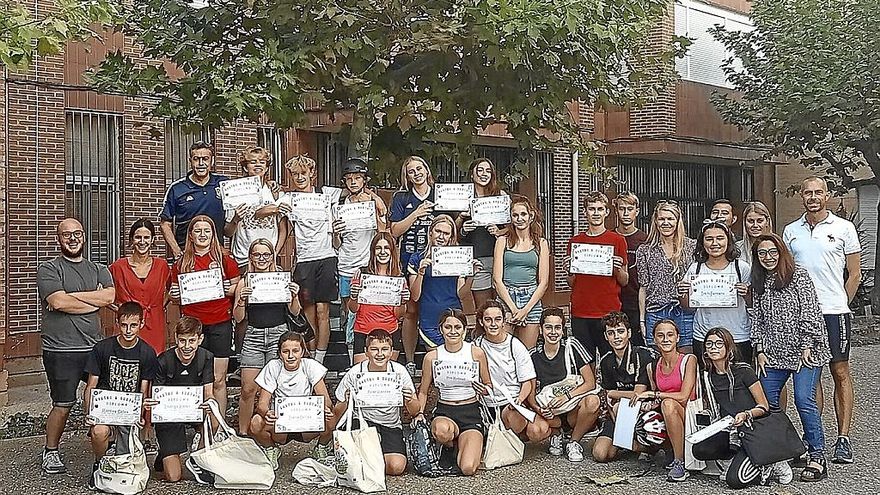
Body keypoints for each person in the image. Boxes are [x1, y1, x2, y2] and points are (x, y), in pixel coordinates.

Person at [782, 176, 860, 464]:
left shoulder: (843, 228)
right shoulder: (791, 231)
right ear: (802, 196)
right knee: (810, 376)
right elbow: (787, 273)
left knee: (840, 372)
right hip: (803, 315)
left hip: (833, 312)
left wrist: (841, 303)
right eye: (808, 193)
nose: (813, 197)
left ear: (826, 196)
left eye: (818, 192)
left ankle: (843, 437)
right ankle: (814, 436)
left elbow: (854, 274)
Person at [37, 218, 116, 474]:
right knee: (63, 403)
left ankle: (107, 444)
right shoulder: (48, 269)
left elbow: (110, 296)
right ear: (59, 239)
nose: (73, 238)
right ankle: (51, 451)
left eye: (77, 234)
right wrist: (93, 300)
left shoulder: (98, 268)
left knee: (103, 397)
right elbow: (58, 302)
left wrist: (73, 298)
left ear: (84, 237)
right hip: (60, 349)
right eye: (66, 234)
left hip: (94, 347)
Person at [751, 233, 831, 481]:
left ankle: (817, 455)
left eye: (773, 252)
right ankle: (789, 448)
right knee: (767, 401)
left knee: (803, 398)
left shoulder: (799, 276)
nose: (768, 257)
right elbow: (758, 319)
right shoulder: (759, 282)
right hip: (773, 352)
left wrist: (807, 344)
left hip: (804, 351)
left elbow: (810, 311)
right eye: (762, 253)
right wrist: (760, 349)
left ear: (782, 252)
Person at [696, 327, 789, 488]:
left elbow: (764, 407)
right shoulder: (707, 375)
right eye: (709, 344)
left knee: (734, 481)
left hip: (753, 428)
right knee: (700, 449)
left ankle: (771, 461)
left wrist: (746, 414)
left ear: (728, 347)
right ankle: (737, 461)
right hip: (730, 428)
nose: (713, 348)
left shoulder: (743, 370)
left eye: (719, 343)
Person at [82, 302, 159, 489]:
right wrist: (89, 413)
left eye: (133, 325)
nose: (128, 330)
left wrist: (140, 414)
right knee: (99, 432)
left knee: (126, 457)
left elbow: (143, 389)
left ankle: (119, 462)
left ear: (141, 324)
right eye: (124, 325)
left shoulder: (147, 353)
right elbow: (91, 385)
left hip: (128, 410)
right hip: (105, 408)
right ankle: (99, 465)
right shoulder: (102, 348)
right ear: (117, 323)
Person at [169, 215, 240, 415]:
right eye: (197, 231)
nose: (202, 235)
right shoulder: (182, 263)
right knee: (195, 377)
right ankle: (197, 423)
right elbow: (174, 295)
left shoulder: (225, 259)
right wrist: (174, 295)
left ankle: (219, 426)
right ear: (190, 235)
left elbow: (238, 285)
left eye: (207, 231)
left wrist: (230, 289)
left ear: (213, 234)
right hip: (192, 326)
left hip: (220, 323)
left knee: (218, 379)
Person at [233, 239, 303, 435]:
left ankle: (271, 430)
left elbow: (296, 312)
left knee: (274, 387)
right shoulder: (245, 281)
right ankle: (243, 433)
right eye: (257, 255)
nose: (262, 258)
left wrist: (294, 296)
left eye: (266, 254)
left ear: (272, 256)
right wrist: (241, 301)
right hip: (254, 335)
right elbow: (238, 318)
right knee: (248, 388)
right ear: (251, 258)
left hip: (278, 334)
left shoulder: (282, 278)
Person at [415, 310, 492, 476]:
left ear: (464, 330)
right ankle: (448, 446)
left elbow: (488, 385)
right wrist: (419, 413)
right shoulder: (432, 357)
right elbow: (423, 391)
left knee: (468, 468)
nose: (453, 331)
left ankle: (464, 445)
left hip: (470, 411)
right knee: (442, 431)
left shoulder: (476, 352)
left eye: (457, 327)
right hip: (445, 410)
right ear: (441, 329)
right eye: (448, 327)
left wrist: (484, 390)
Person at [333, 329, 420, 475]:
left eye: (385, 349)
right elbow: (337, 411)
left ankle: (369, 458)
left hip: (390, 425)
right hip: (362, 423)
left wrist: (409, 399)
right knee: (360, 463)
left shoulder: (399, 371)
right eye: (374, 349)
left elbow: (415, 410)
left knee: (396, 467)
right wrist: (346, 401)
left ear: (391, 351)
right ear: (366, 352)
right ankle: (367, 456)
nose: (380, 354)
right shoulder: (355, 373)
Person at [284, 155, 342, 363]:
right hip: (304, 259)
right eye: (295, 174)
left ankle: (321, 357)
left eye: (303, 173)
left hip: (326, 256)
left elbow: (354, 193)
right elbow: (266, 208)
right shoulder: (290, 198)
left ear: (312, 174)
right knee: (307, 311)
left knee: (322, 310)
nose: (299, 178)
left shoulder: (326, 195)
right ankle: (309, 355)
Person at [250, 331, 336, 468]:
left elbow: (325, 399)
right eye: (286, 351)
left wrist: (325, 409)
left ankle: (321, 448)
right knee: (256, 422)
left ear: (302, 352)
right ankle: (271, 448)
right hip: (280, 425)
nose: (291, 356)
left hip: (306, 424)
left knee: (332, 417)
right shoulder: (273, 367)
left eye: (295, 351)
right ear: (279, 354)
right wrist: (267, 414)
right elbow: (262, 405)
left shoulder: (310, 366)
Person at [146, 316, 216, 484]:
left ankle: (198, 460)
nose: (187, 346)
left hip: (194, 410)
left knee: (213, 418)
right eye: (182, 340)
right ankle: (165, 452)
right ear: (176, 338)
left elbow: (209, 391)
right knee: (174, 477)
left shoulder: (206, 357)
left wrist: (209, 402)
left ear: (200, 339)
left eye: (192, 341)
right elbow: (156, 396)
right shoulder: (163, 360)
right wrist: (150, 414)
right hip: (169, 415)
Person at [529, 308, 600, 462]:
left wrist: (566, 396)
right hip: (549, 411)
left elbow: (590, 382)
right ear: (541, 330)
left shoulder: (572, 346)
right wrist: (538, 408)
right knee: (533, 415)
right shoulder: (533, 355)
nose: (553, 332)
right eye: (548, 327)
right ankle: (556, 433)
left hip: (572, 406)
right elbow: (531, 391)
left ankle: (574, 442)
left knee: (593, 401)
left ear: (563, 329)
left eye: (557, 327)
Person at [564, 192, 628, 358]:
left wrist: (617, 268)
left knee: (611, 358)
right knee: (585, 360)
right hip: (581, 311)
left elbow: (625, 280)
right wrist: (569, 271)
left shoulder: (617, 240)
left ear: (607, 212)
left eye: (600, 209)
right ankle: (590, 385)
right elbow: (572, 283)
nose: (596, 213)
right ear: (585, 212)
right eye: (592, 209)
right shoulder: (575, 242)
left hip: (608, 310)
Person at [632, 319, 697, 482]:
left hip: (689, 414)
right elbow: (655, 399)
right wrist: (649, 403)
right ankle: (669, 450)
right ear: (654, 339)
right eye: (660, 335)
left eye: (670, 335)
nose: (665, 339)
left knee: (668, 404)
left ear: (677, 337)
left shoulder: (688, 360)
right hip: (667, 415)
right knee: (648, 417)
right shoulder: (652, 367)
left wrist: (654, 395)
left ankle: (680, 462)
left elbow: (683, 396)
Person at [679, 221, 752, 364]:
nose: (715, 243)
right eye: (709, 239)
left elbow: (752, 303)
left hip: (737, 334)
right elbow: (688, 307)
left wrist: (746, 293)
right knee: (708, 378)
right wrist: (682, 293)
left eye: (720, 238)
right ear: (702, 242)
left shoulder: (741, 268)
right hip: (704, 335)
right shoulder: (696, 269)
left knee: (740, 379)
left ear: (728, 240)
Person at [473, 301, 545, 443]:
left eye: (498, 319)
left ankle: (514, 437)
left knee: (538, 431)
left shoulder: (515, 345)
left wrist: (518, 401)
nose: (493, 324)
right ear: (481, 322)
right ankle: (500, 436)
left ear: (504, 322)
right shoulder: (476, 346)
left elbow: (527, 382)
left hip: (511, 401)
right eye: (488, 320)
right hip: (487, 404)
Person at [389, 156, 436, 374]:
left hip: (439, 261)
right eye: (410, 171)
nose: (416, 173)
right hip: (409, 259)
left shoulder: (440, 194)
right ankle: (409, 360)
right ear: (406, 177)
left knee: (437, 306)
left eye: (419, 168)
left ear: (427, 171)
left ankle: (437, 357)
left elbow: (451, 225)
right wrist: (416, 214)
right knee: (411, 309)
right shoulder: (401, 198)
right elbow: (394, 231)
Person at [335, 158, 388, 346]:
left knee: (370, 308)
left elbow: (384, 232)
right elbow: (336, 243)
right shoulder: (340, 205)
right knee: (348, 310)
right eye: (349, 178)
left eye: (358, 178)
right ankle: (350, 349)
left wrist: (375, 208)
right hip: (345, 265)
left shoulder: (374, 203)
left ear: (365, 180)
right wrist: (336, 232)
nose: (353, 182)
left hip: (367, 265)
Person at [592, 312, 654, 463]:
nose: (616, 337)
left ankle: (648, 448)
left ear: (629, 333)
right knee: (601, 454)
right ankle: (626, 442)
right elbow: (607, 397)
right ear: (606, 337)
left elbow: (638, 394)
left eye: (620, 331)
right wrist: (612, 402)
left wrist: (614, 393)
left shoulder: (643, 355)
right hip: (617, 412)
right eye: (611, 333)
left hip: (643, 411)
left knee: (621, 406)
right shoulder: (606, 361)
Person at [636, 201, 697, 349]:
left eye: (670, 219)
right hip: (656, 311)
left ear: (678, 221)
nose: (666, 223)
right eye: (662, 219)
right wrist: (642, 320)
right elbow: (643, 287)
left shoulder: (692, 247)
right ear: (656, 222)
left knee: (686, 360)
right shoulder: (645, 250)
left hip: (684, 311)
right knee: (657, 361)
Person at [493, 195, 551, 349]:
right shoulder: (502, 241)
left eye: (523, 214)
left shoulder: (541, 243)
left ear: (530, 216)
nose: (519, 219)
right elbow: (497, 279)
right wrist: (513, 309)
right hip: (506, 299)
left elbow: (543, 282)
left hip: (530, 299)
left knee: (526, 354)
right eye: (515, 215)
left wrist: (524, 310)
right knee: (503, 352)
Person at [408, 215, 475, 348]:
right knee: (434, 362)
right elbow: (415, 296)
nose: (441, 236)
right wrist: (421, 272)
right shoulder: (417, 258)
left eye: (446, 233)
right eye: (438, 231)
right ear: (430, 232)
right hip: (429, 318)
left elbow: (462, 294)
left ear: (451, 236)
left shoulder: (458, 257)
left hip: (453, 318)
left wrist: (472, 275)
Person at [110, 218, 172, 353]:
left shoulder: (162, 266)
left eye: (146, 237)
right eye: (138, 237)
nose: (142, 242)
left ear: (152, 240)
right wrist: (117, 308)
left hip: (155, 322)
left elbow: (172, 287)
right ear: (132, 240)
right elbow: (103, 291)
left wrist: (161, 304)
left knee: (154, 363)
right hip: (127, 324)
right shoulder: (118, 266)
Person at [224, 146, 290, 271]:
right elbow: (227, 232)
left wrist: (275, 253)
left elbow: (283, 229)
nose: (258, 165)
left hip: (269, 259)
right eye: (253, 162)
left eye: (262, 161)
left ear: (266, 167)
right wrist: (236, 219)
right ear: (245, 167)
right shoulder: (235, 192)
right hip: (243, 258)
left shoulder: (275, 191)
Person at [348, 232, 409, 364]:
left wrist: (403, 302)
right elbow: (353, 309)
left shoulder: (399, 278)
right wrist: (353, 296)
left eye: (386, 248)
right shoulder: (361, 273)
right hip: (364, 332)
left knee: (387, 378)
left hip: (390, 333)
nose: (382, 252)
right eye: (378, 248)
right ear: (373, 251)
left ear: (392, 251)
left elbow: (399, 315)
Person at [160, 141, 229, 258]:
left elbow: (248, 189)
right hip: (187, 253)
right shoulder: (177, 188)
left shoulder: (224, 183)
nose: (201, 163)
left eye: (205, 159)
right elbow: (165, 224)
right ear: (190, 161)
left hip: (217, 252)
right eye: (196, 159)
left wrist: (268, 183)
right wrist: (176, 251)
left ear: (212, 161)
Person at [458, 158, 508, 309]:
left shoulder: (501, 196)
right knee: (483, 308)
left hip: (500, 258)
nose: (484, 174)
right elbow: (449, 230)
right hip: (476, 259)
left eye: (488, 171)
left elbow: (515, 227)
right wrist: (462, 223)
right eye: (480, 170)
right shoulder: (462, 198)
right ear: (472, 174)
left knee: (503, 307)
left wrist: (500, 232)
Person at [614, 191, 648, 346]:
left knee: (638, 349)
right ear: (616, 211)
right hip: (613, 302)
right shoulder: (609, 238)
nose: (626, 213)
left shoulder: (646, 240)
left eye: (630, 208)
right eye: (622, 209)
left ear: (637, 211)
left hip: (636, 303)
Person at [737, 201, 773, 265]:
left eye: (760, 221)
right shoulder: (736, 249)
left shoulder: (778, 247)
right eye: (751, 221)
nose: (755, 225)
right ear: (744, 222)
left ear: (767, 221)